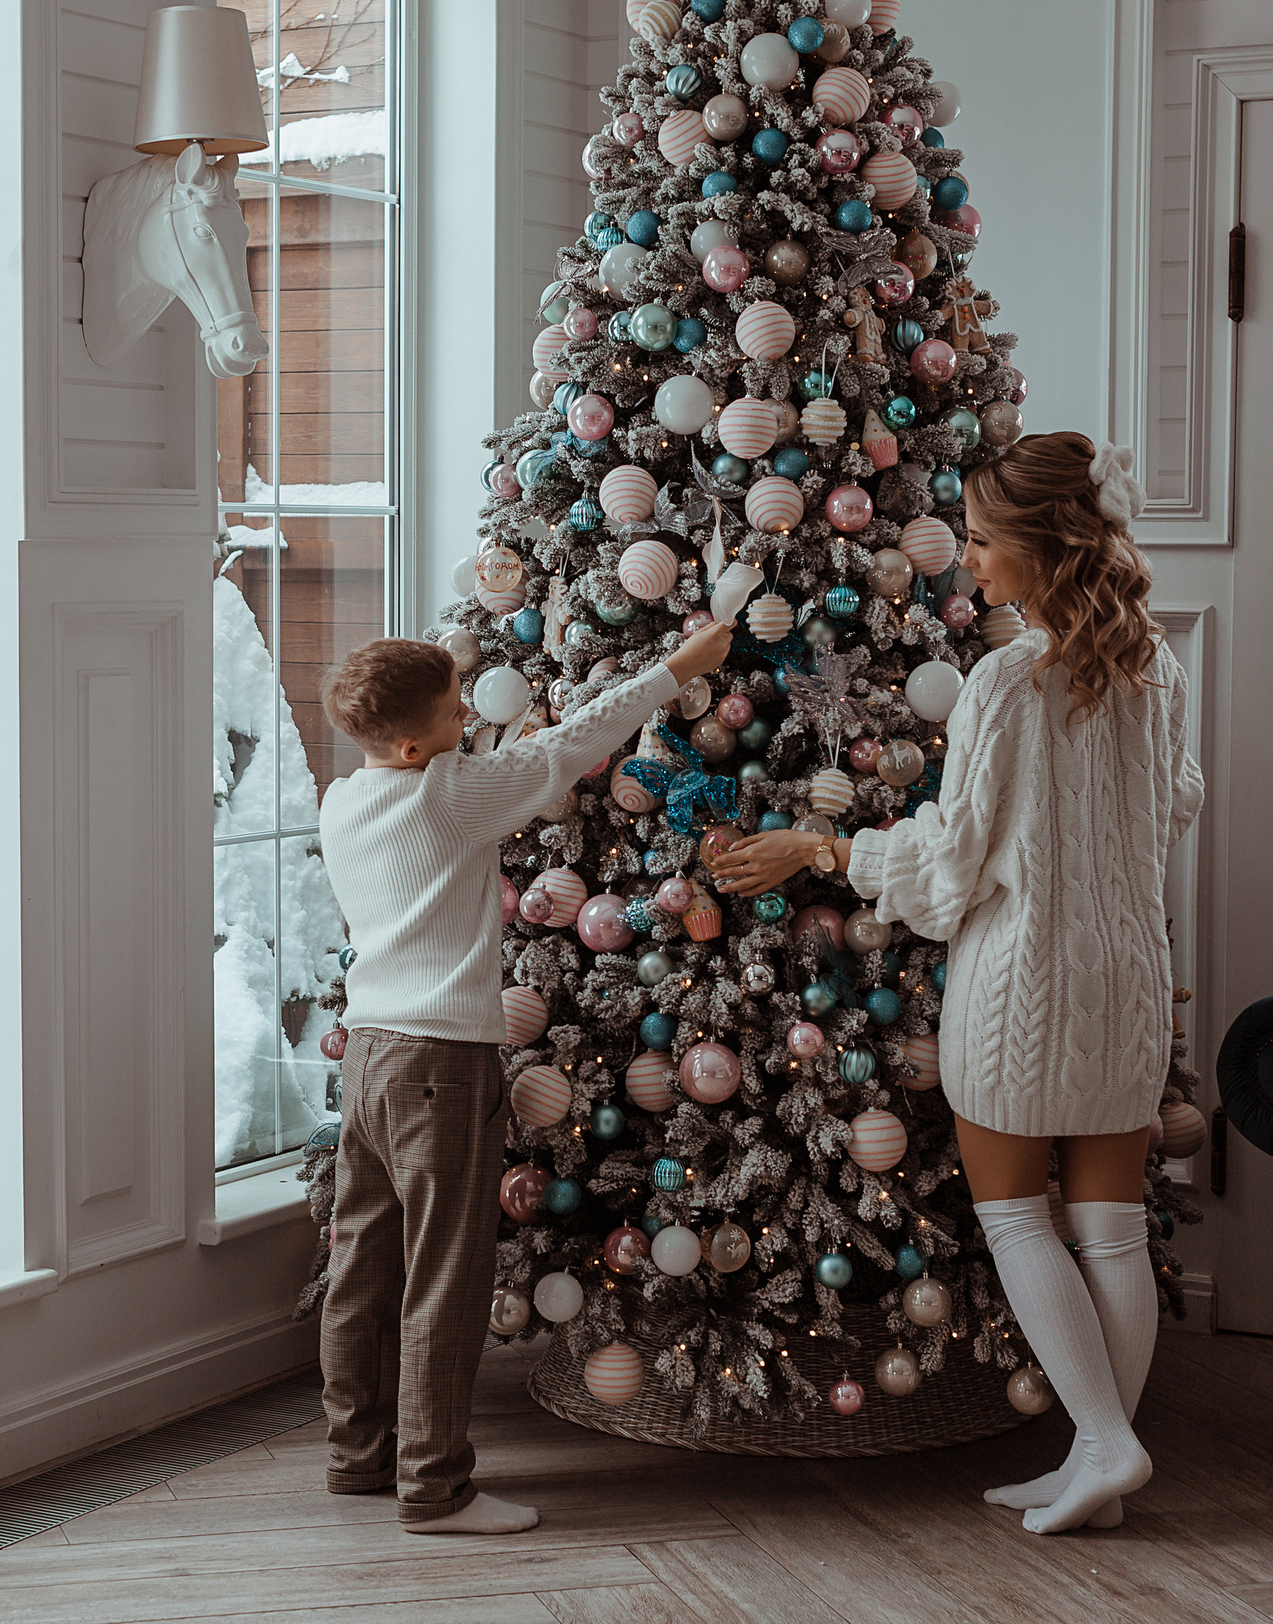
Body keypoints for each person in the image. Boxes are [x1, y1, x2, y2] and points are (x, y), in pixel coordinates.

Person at [711, 433, 1202, 1534]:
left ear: (1043, 547)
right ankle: (1097, 1467)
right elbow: (1177, 806)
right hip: (1127, 977)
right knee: (1113, 1230)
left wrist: (820, 849)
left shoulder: (1004, 680)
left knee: (1017, 1217)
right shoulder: (1154, 665)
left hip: (1021, 983)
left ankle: (1107, 1445)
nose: (967, 564)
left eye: (982, 543)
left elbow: (946, 871)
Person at [315, 616, 737, 1534]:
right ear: (411, 742)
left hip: (372, 1059)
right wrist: (674, 669)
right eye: (454, 707)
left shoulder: (346, 798)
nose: (470, 712)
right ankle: (436, 1487)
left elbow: (504, 754)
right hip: (441, 1064)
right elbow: (567, 748)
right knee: (445, 1275)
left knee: (363, 1264)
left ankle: (358, 1455)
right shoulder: (445, 795)